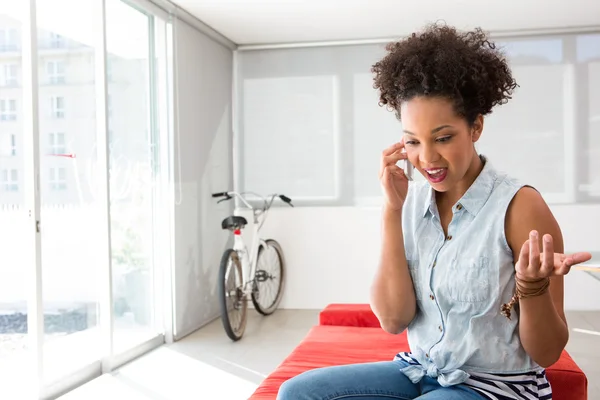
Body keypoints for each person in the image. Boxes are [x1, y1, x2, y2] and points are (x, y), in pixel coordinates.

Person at [277, 23, 592, 400]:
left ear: (475, 127)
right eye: (412, 141)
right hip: (419, 370)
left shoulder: (520, 207)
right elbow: (394, 320)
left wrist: (532, 286)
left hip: (498, 388)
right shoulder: (410, 204)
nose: (427, 158)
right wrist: (391, 211)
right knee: (297, 393)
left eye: (443, 138)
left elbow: (547, 352)